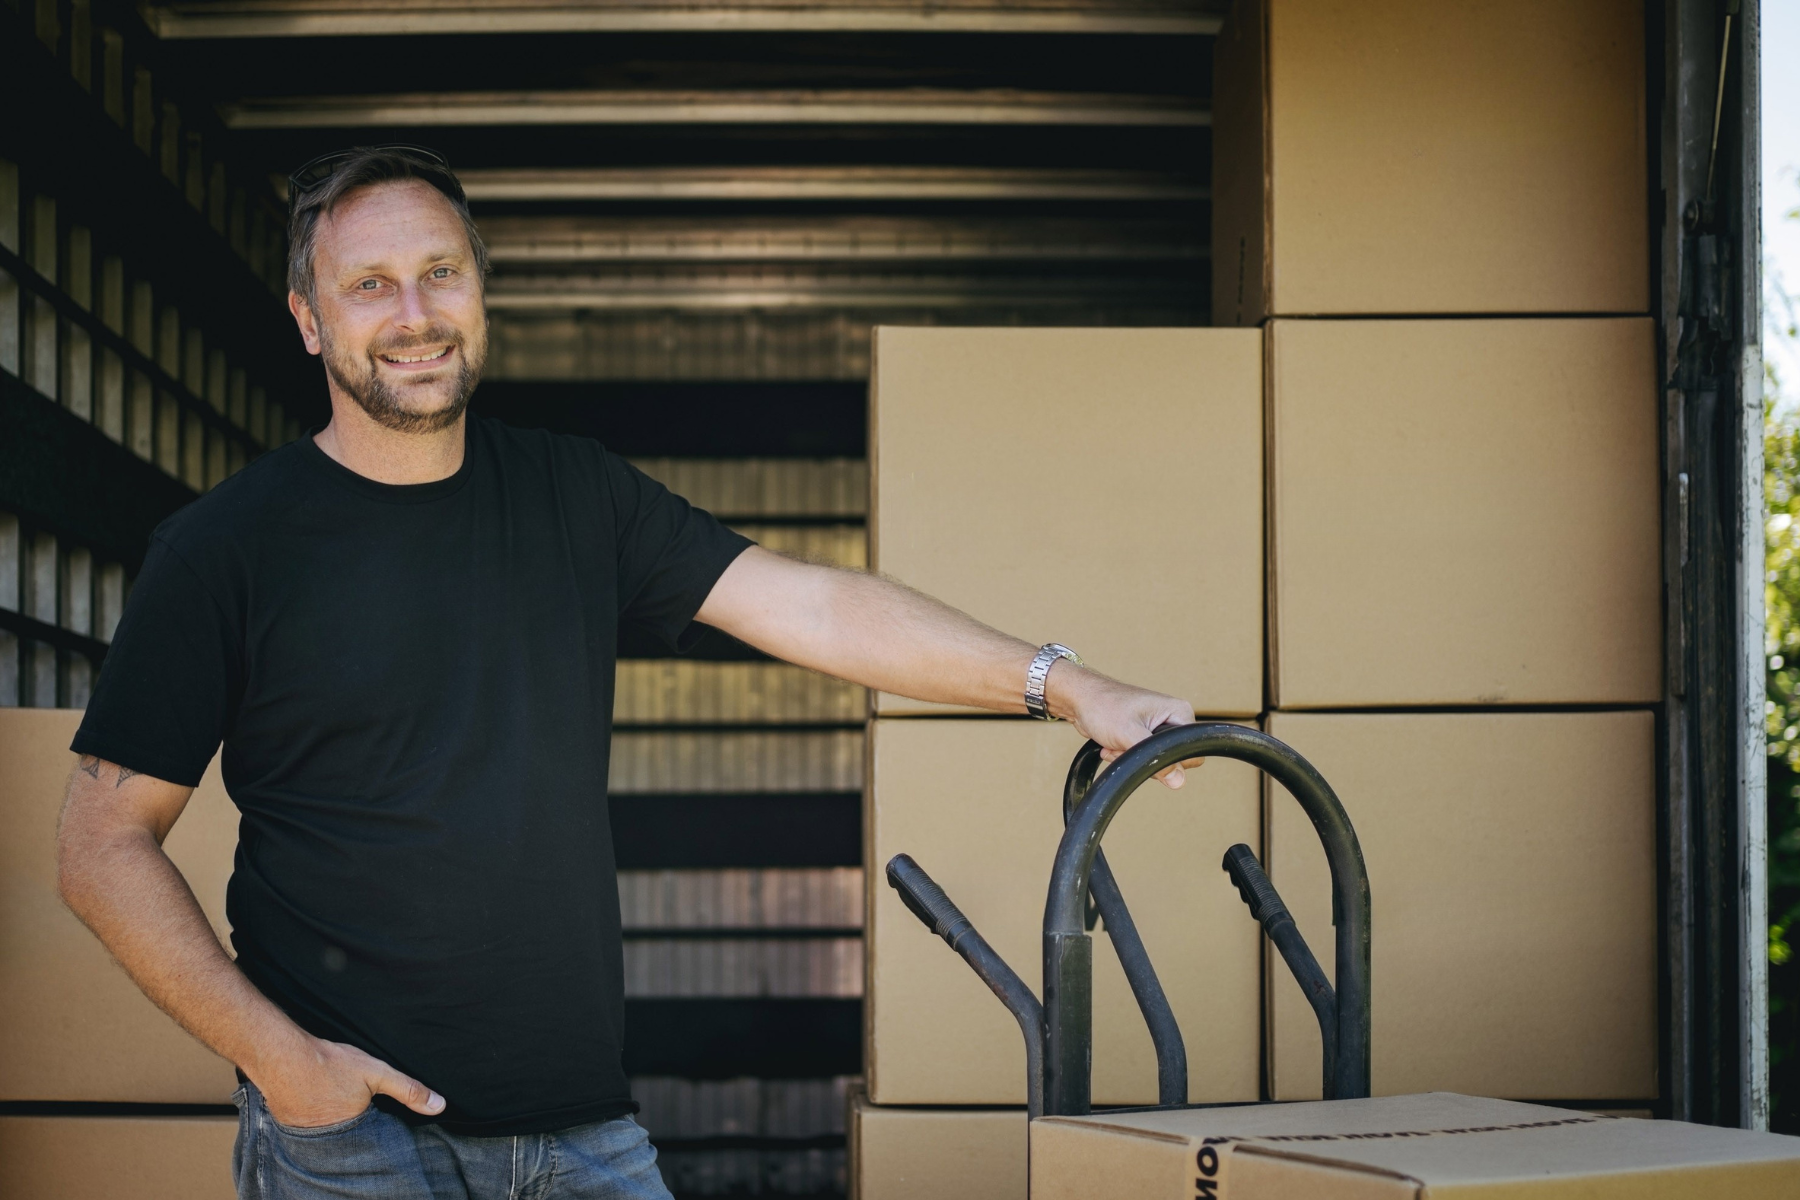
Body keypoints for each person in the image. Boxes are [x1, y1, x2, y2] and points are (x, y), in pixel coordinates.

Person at [54, 146, 1205, 1200]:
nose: (416, 315)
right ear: (310, 320)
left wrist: (1067, 683)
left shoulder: (574, 495)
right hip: (352, 1142)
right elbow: (100, 846)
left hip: (582, 1138)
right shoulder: (224, 551)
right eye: (371, 285)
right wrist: (284, 1064)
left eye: (441, 273)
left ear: (479, 291)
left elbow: (812, 600)